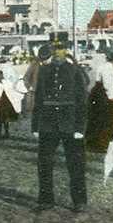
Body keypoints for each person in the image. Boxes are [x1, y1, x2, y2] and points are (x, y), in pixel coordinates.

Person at [31, 42, 88, 213]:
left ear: (66, 52)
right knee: (45, 164)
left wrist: (80, 127)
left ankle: (79, 201)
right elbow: (39, 98)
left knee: (76, 164)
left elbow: (82, 101)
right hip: (47, 124)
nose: (57, 54)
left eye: (61, 50)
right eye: (55, 51)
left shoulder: (75, 71)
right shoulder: (44, 71)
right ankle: (46, 199)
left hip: (70, 123)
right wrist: (35, 125)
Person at [84, 48, 113, 152]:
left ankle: (92, 142)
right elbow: (108, 85)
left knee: (96, 120)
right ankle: (101, 144)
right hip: (106, 97)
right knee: (105, 122)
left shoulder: (102, 67)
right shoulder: (109, 69)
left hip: (98, 95)